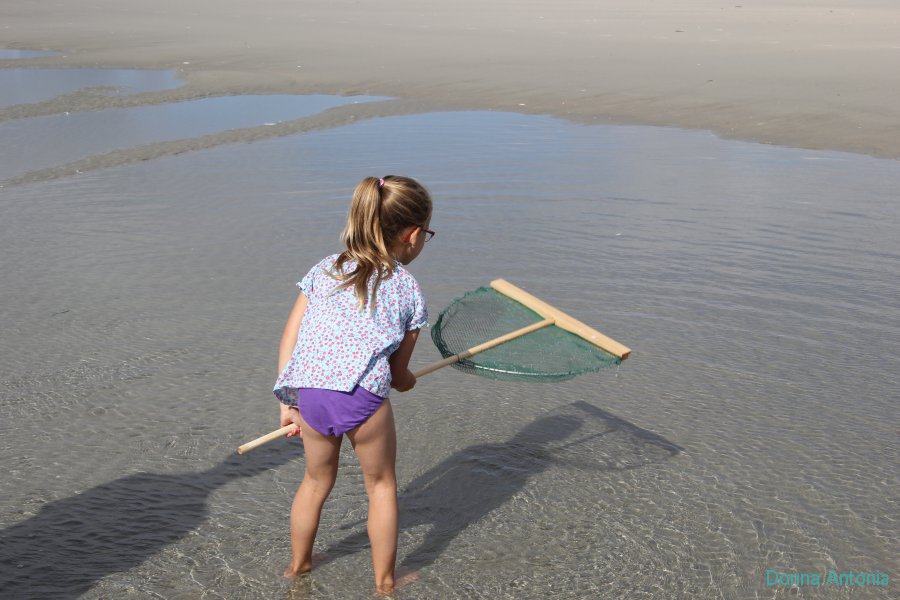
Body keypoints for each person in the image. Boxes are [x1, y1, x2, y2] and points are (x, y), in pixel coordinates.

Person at [273, 175, 433, 594]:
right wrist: (410, 381)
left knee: (314, 482)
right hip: (361, 396)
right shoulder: (408, 289)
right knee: (380, 485)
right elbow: (398, 377)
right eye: (427, 234)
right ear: (412, 235)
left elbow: (290, 338)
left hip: (310, 391)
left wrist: (287, 400)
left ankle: (299, 565)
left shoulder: (324, 268)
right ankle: (384, 582)